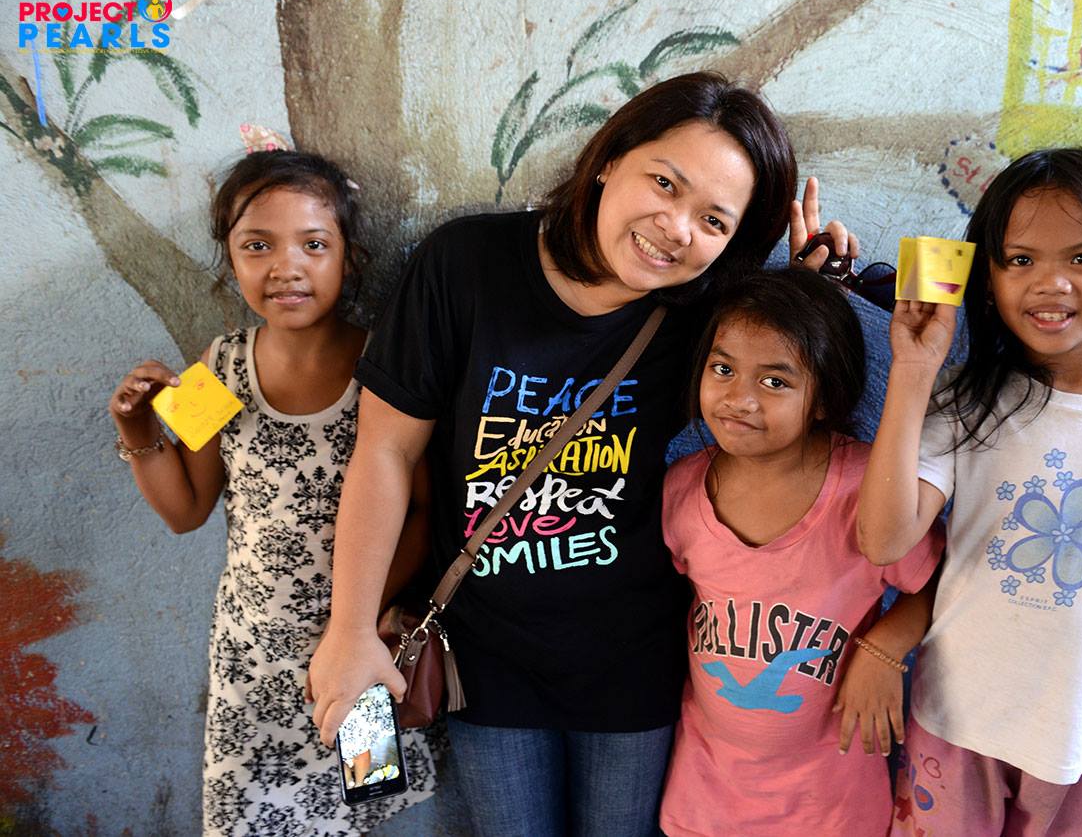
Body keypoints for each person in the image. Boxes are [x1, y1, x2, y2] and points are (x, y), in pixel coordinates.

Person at [305, 72, 857, 836]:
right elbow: (386, 451)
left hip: (633, 662)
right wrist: (350, 628)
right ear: (611, 158)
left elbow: (807, 407)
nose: (676, 227)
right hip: (486, 656)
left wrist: (811, 300)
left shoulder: (704, 315)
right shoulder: (465, 265)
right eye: (664, 183)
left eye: (713, 220)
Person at [857, 148, 1082, 837]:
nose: (1051, 284)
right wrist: (913, 369)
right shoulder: (965, 399)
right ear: (988, 278)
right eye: (1020, 260)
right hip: (958, 723)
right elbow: (884, 539)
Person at [109, 150, 435, 836]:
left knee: (365, 806)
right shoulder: (217, 366)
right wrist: (138, 429)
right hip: (249, 658)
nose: (286, 267)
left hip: (359, 652)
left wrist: (354, 620)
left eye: (313, 244)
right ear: (229, 259)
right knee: (242, 816)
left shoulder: (386, 366)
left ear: (349, 257)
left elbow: (422, 513)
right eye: (258, 246)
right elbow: (186, 510)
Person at [657, 268, 943, 837]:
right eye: (723, 369)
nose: (739, 399)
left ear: (824, 399)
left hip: (831, 804)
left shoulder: (866, 489)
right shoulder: (682, 488)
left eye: (775, 381)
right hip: (706, 797)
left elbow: (937, 584)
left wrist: (886, 649)